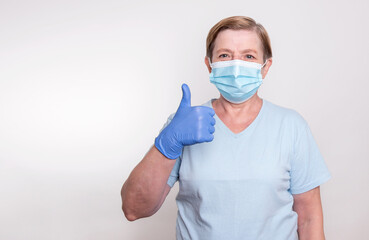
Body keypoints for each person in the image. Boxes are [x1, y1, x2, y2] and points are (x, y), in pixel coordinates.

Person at [121, 16, 331, 240]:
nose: (236, 65)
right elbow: (134, 209)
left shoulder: (291, 126)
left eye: (248, 56)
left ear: (265, 66)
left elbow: (309, 217)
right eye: (224, 55)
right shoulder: (185, 124)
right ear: (209, 64)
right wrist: (168, 142)